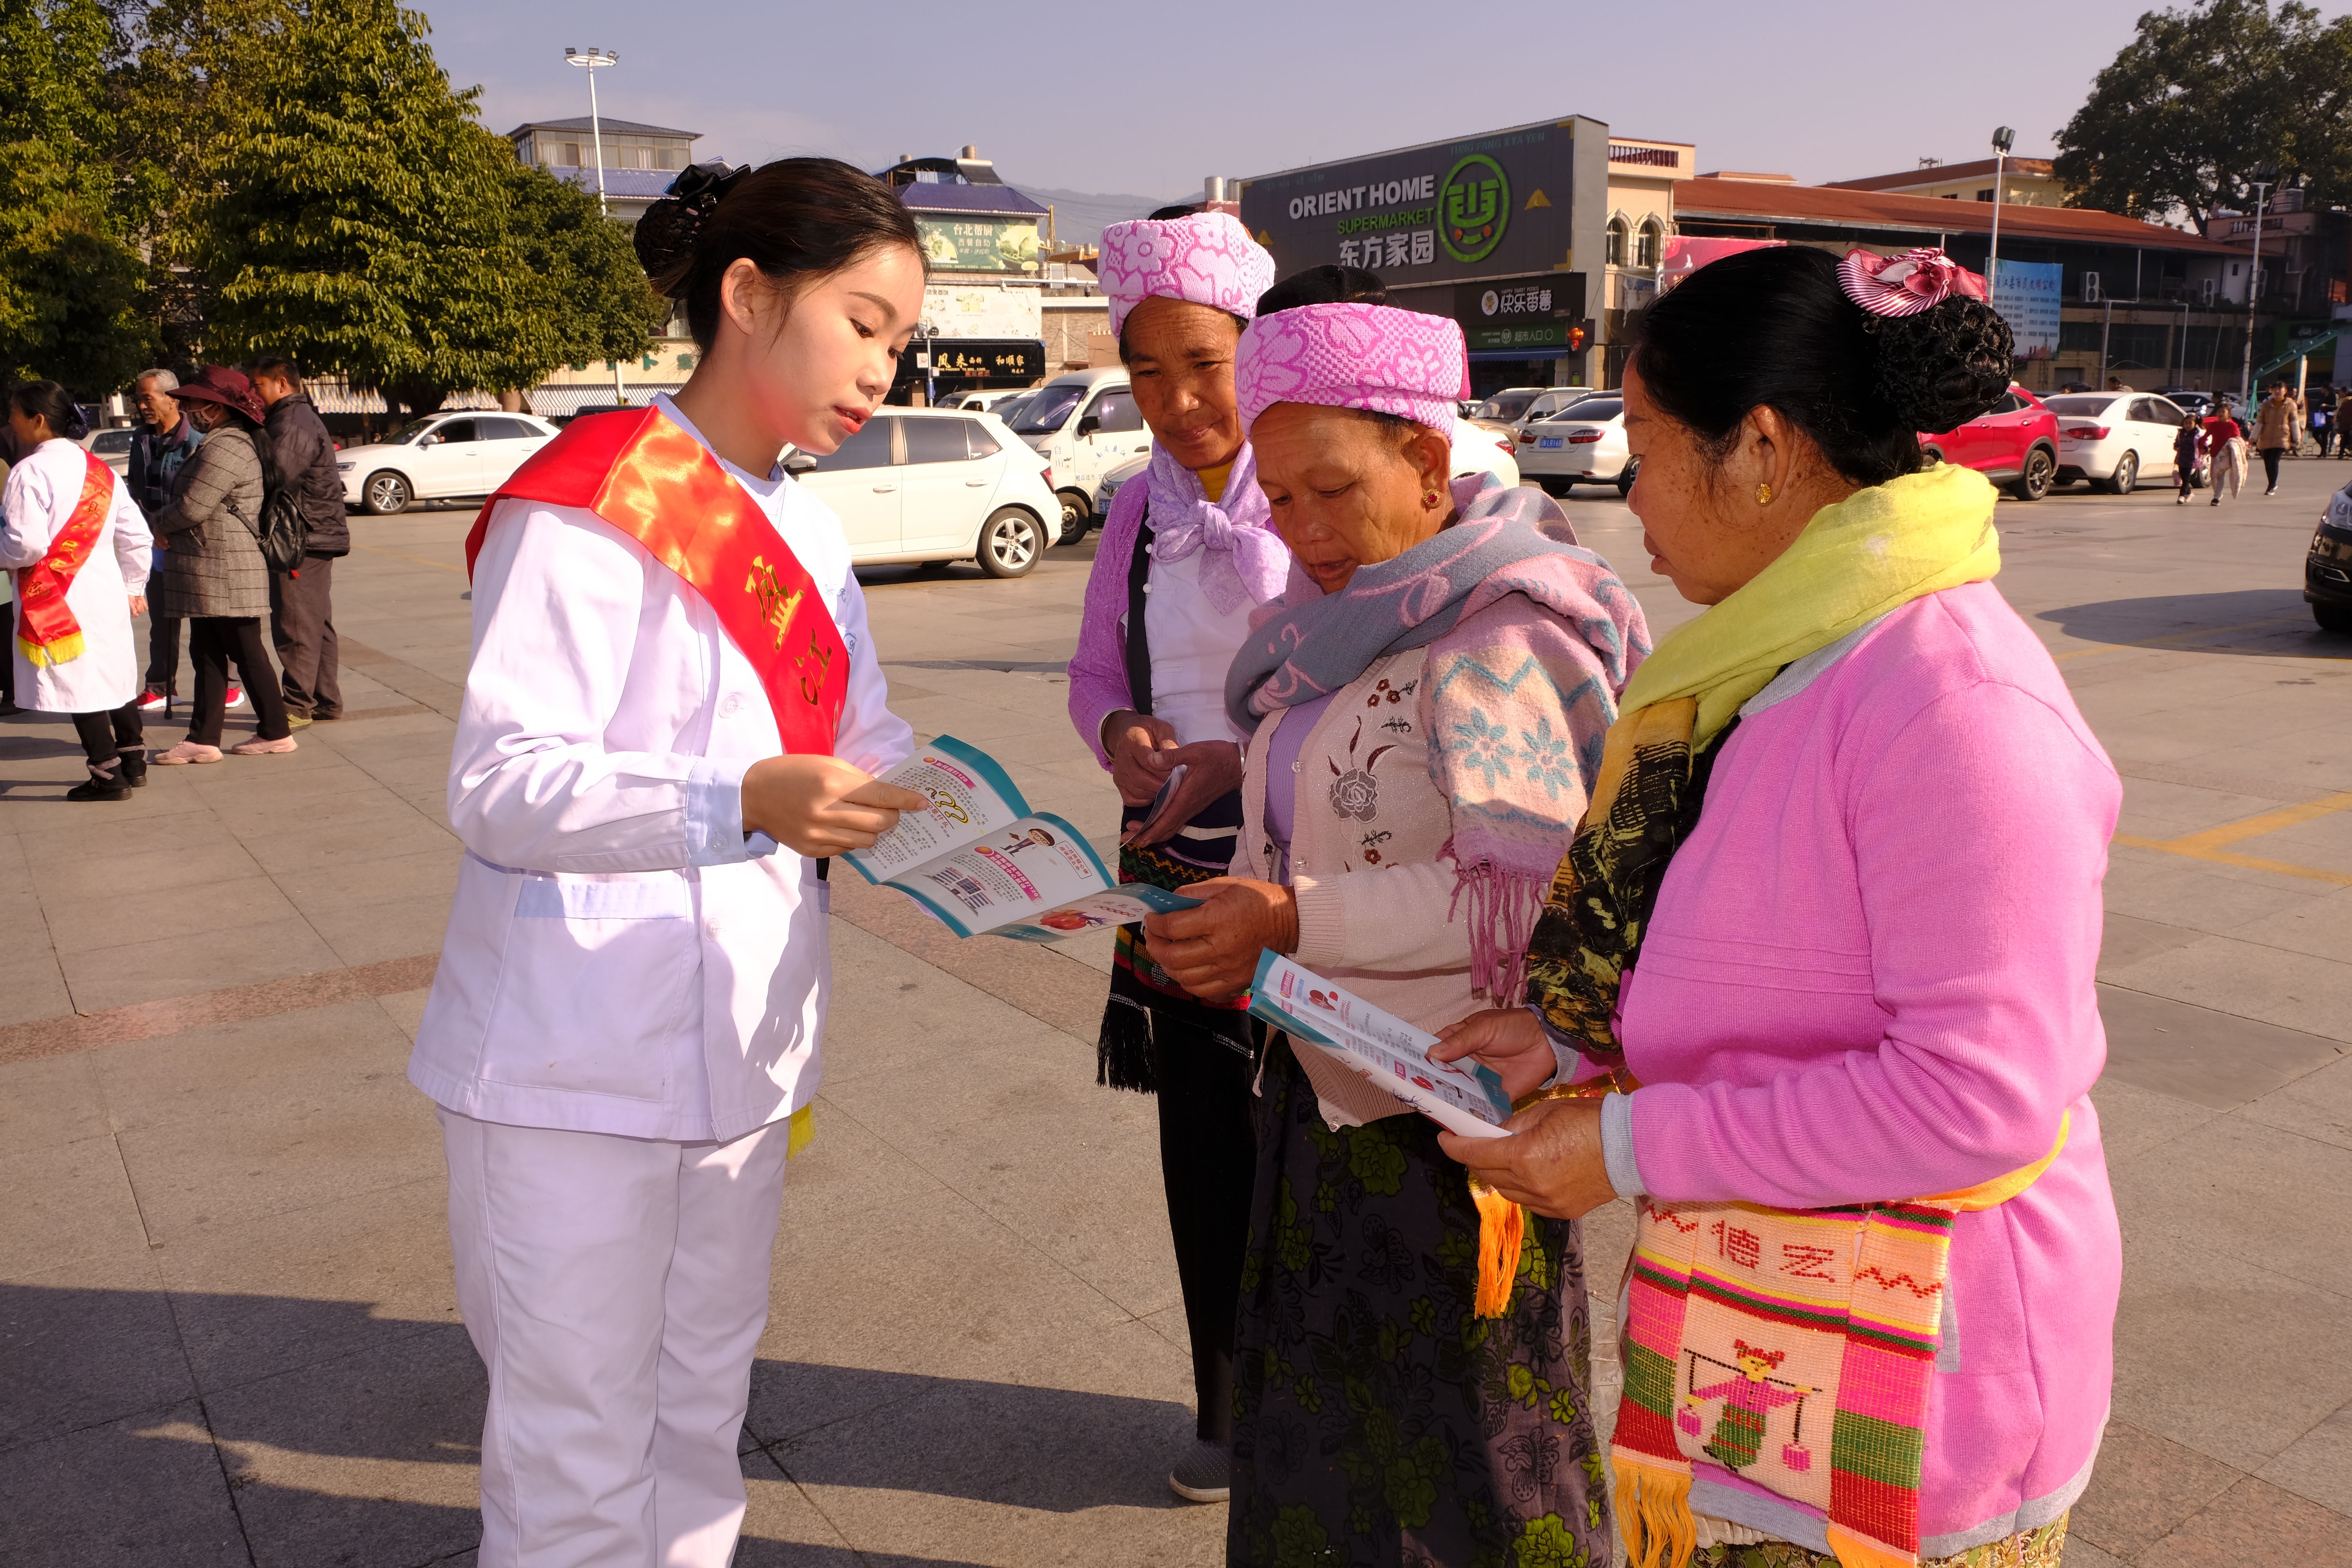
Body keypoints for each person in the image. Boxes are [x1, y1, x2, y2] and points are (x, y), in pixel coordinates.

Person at [1436, 245, 2120, 1568]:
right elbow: (1763, 960)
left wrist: (1625, 1147)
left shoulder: (1953, 702)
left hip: (1918, 1388)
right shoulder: (1779, 655)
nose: (1628, 490)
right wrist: (1576, 1049)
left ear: (1757, 447)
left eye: (1645, 447)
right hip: (1762, 1333)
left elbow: (1976, 1095)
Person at [405, 156, 929, 1568]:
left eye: (900, 340)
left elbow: (868, 745)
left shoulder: (808, 529)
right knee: (576, 1449)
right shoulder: (586, 499)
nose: (882, 368)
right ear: (748, 295)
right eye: (864, 323)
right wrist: (739, 797)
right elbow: (502, 784)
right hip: (570, 1067)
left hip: (746, 1056)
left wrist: (974, 839)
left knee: (699, 1416)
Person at [1143, 293, 1648, 1568]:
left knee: (1478, 1464)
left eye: (1333, 490)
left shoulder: (1496, 639)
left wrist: (1290, 917)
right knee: (1329, 1448)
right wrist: (1233, 890)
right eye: (1279, 498)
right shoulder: (1343, 626)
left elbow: (1524, 891)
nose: (1303, 531)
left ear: (1427, 461)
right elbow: (1326, 807)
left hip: (1450, 1119)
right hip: (1321, 1091)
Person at [1063, 207, 1280, 1505]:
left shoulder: (1318, 474)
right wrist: (1122, 734)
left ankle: (1327, 1391)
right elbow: (1097, 666)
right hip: (1179, 869)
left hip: (1312, 868)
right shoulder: (1140, 506)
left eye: (1205, 363)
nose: (1178, 400)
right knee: (1205, 1146)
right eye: (1146, 370)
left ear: (1262, 348)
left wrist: (1241, 757)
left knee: (1320, 1137)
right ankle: (1225, 1404)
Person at [2, 381, 154, 799]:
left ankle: (107, 774)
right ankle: (134, 760)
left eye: (14, 413)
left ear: (37, 420)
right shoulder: (101, 471)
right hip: (104, 590)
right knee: (112, 674)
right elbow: (137, 536)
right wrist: (133, 585)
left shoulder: (29, 471)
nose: (10, 421)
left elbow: (26, 545)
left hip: (54, 595)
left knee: (78, 680)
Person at [147, 367, 297, 762]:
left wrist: (158, 523)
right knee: (208, 650)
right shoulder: (224, 441)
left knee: (245, 650)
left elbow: (194, 507)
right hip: (213, 566)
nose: (189, 409)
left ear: (216, 407)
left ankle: (275, 731)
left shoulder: (227, 446)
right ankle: (203, 739)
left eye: (195, 402)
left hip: (224, 568)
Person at [248, 355, 348, 726]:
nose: (254, 393)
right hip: (312, 533)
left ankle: (296, 705)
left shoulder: (291, 422)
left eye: (258, 386)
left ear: (281, 384)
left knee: (296, 623)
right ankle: (325, 700)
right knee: (314, 622)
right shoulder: (291, 417)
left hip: (301, 537)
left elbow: (276, 477)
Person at [127, 368, 209, 714]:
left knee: (208, 620)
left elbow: (199, 499)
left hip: (191, 542)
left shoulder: (198, 441)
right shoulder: (141, 439)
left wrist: (168, 527)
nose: (143, 406)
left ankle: (227, 685)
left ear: (172, 398)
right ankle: (161, 686)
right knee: (161, 620)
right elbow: (136, 490)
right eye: (139, 399)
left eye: (148, 398)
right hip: (156, 542)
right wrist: (150, 529)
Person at [2254, 380, 2296, 494]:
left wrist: (2297, 438)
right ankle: (2272, 483)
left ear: (2285, 391)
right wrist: (2254, 437)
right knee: (2268, 462)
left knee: (2274, 461)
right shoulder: (2266, 405)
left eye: (2280, 389)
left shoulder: (2290, 404)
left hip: (2282, 437)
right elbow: (2260, 422)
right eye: (2275, 389)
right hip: (2266, 437)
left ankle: (2272, 486)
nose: (2277, 391)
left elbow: (2294, 422)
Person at [2205, 398, 2247, 505]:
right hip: (2215, 453)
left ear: (2229, 413)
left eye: (2223, 412)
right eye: (2219, 412)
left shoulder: (2232, 426)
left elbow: (2237, 439)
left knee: (2220, 474)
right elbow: (2206, 436)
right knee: (2213, 475)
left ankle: (2217, 497)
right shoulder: (2214, 425)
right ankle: (2218, 494)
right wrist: (2202, 445)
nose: (2221, 414)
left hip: (2226, 455)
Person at [2173, 410, 2205, 503]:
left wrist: (2205, 449)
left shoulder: (2197, 435)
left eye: (2190, 423)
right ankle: (2190, 493)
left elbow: (2202, 445)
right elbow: (2177, 443)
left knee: (2187, 478)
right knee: (2183, 477)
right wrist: (2176, 447)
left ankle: (2182, 496)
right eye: (2186, 423)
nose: (2188, 425)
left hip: (2191, 459)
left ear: (2195, 424)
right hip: (2181, 458)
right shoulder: (2181, 433)